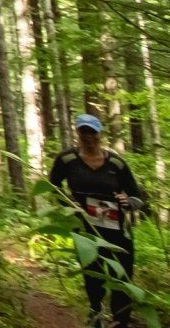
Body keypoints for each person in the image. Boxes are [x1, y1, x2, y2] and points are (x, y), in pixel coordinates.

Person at [48, 113, 148, 327]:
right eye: (84, 131)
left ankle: (121, 320)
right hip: (86, 229)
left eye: (92, 132)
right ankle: (96, 313)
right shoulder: (67, 160)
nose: (88, 136)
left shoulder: (116, 164)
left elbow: (137, 197)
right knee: (93, 274)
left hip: (118, 230)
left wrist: (127, 201)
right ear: (78, 133)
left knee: (122, 275)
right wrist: (68, 204)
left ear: (100, 134)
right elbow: (53, 187)